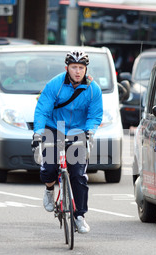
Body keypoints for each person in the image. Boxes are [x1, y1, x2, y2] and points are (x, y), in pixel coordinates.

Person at [32, 49, 103, 233]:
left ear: (86, 69)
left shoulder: (93, 89)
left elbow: (94, 115)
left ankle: (79, 216)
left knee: (78, 175)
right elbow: (42, 111)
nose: (78, 71)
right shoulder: (54, 85)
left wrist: (89, 132)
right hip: (54, 128)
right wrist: (38, 134)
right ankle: (49, 190)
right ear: (67, 68)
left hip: (78, 131)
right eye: (74, 67)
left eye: (81, 67)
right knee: (49, 168)